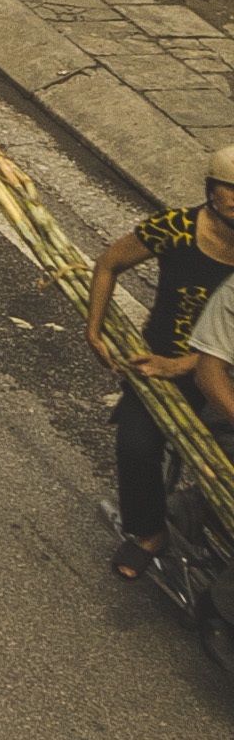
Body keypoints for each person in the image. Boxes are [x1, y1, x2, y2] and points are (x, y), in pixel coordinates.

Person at [93, 148, 234, 581]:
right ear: (211, 189)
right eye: (232, 189)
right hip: (155, 365)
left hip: (223, 372)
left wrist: (192, 363)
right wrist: (94, 329)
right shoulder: (177, 228)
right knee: (137, 447)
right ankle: (149, 533)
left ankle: (204, 516)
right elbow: (109, 263)